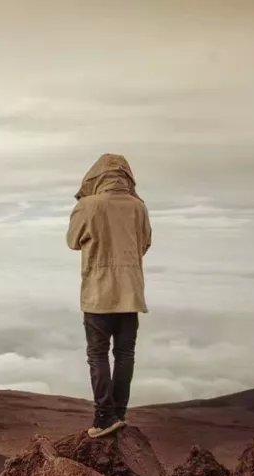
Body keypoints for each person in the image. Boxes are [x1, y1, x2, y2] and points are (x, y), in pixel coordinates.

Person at [66, 154, 151, 438]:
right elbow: (145, 242)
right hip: (130, 293)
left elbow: (72, 241)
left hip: (98, 292)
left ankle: (104, 417)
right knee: (125, 354)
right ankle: (120, 413)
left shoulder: (88, 205)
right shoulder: (138, 206)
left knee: (97, 354)